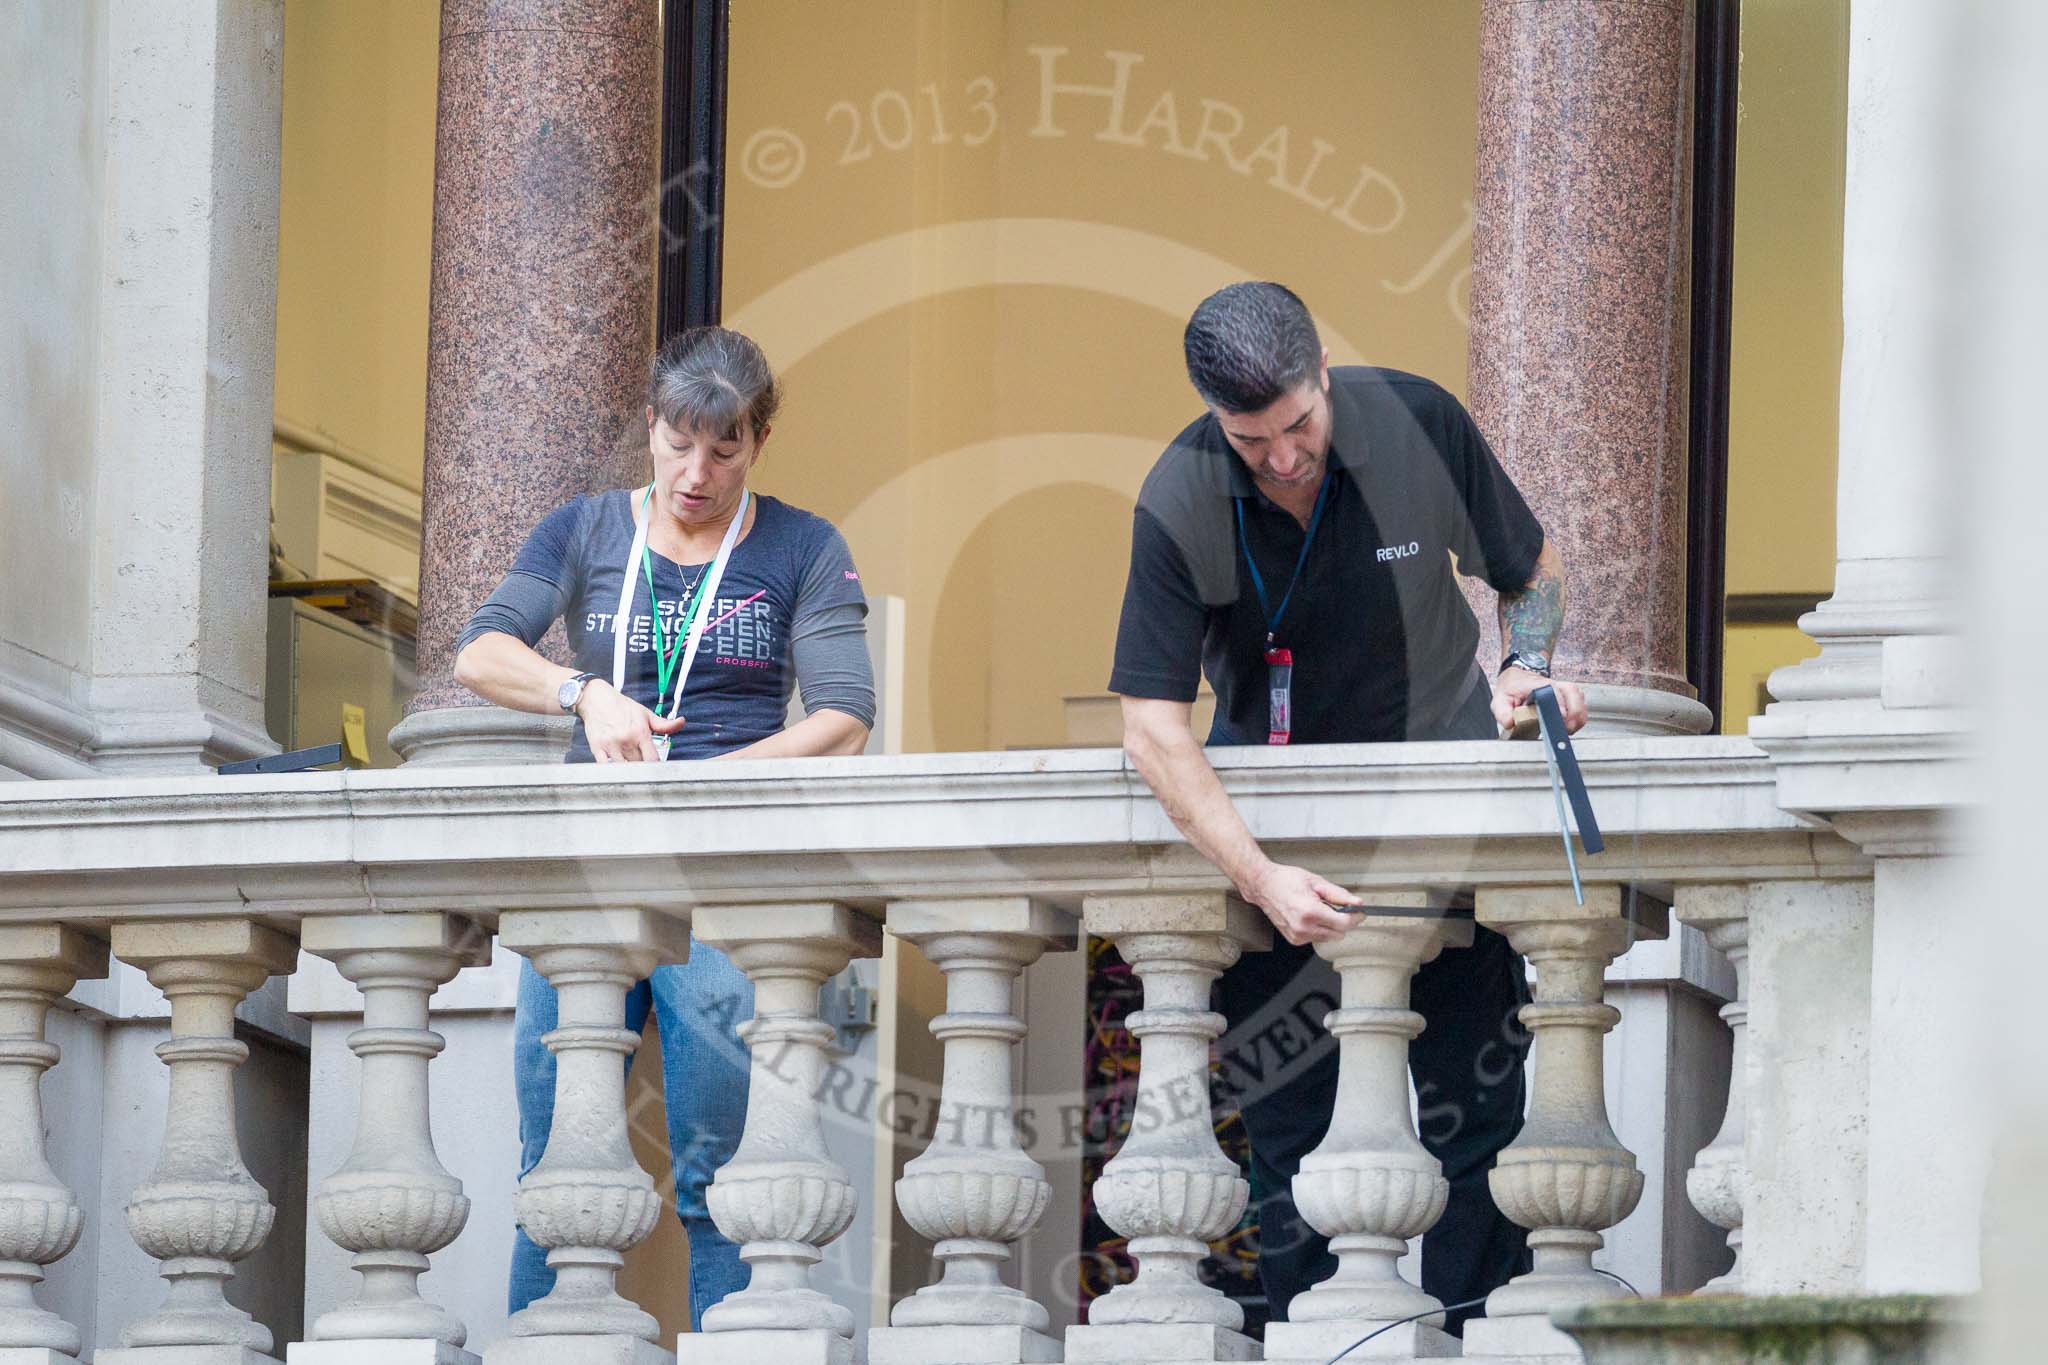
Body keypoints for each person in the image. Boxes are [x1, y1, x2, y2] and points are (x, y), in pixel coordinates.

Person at [1109, 282, 1587, 1335]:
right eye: (1250, 440)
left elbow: (1530, 571)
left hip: (1440, 812)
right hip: (1271, 836)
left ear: (1321, 374)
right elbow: (1150, 726)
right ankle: (1318, 1346)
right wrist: (1257, 877)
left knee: (1477, 1114)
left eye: (1297, 426)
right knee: (1289, 1133)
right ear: (1211, 419)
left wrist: (1527, 663)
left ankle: (1467, 1335)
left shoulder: (1416, 420)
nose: (1280, 458)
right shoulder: (1178, 493)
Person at [453, 325, 876, 1330]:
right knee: (552, 1163)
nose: (698, 472)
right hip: (586, 871)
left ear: (758, 441)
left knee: (720, 1177)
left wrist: (712, 781)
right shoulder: (587, 531)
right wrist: (585, 694)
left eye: (724, 449)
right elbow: (478, 654)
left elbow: (845, 717)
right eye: (679, 443)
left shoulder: (801, 545)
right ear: (649, 428)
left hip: (727, 875)